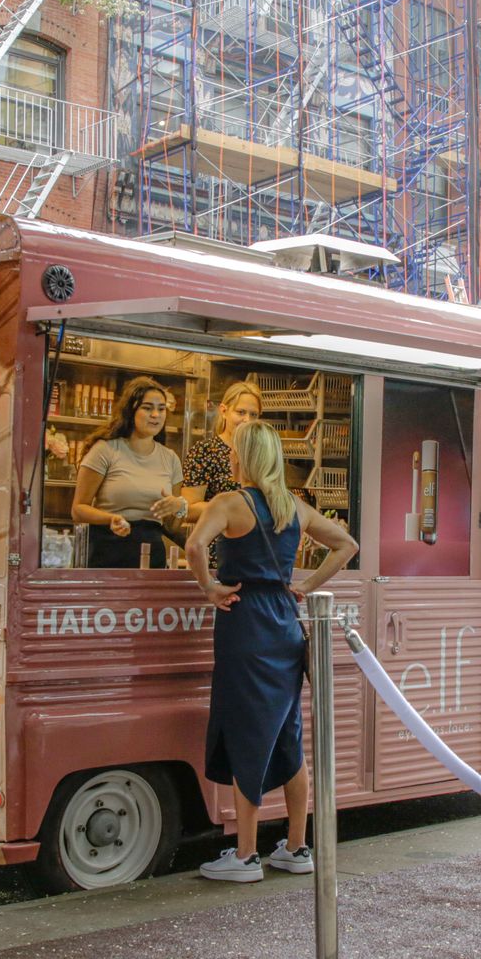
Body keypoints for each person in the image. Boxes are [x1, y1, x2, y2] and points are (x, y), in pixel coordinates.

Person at [186, 421, 359, 882]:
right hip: (285, 623)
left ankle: (245, 855)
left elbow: (194, 544)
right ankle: (297, 847)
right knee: (287, 737)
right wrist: (305, 586)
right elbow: (346, 545)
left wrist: (209, 587)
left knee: (248, 734)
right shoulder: (293, 508)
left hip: (245, 625)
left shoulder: (228, 504)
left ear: (240, 456)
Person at [73, 377, 187, 569]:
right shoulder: (106, 450)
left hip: (151, 554)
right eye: (147, 408)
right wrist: (111, 519)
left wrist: (179, 507)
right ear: (130, 410)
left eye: (161, 409)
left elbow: (171, 527)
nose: (155, 415)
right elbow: (78, 509)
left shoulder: (170, 458)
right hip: (108, 548)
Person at [182, 381, 261, 534]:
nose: (247, 420)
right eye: (241, 412)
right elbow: (188, 511)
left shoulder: (261, 453)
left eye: (253, 415)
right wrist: (234, 510)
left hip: (256, 547)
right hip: (217, 547)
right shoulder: (205, 451)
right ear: (224, 411)